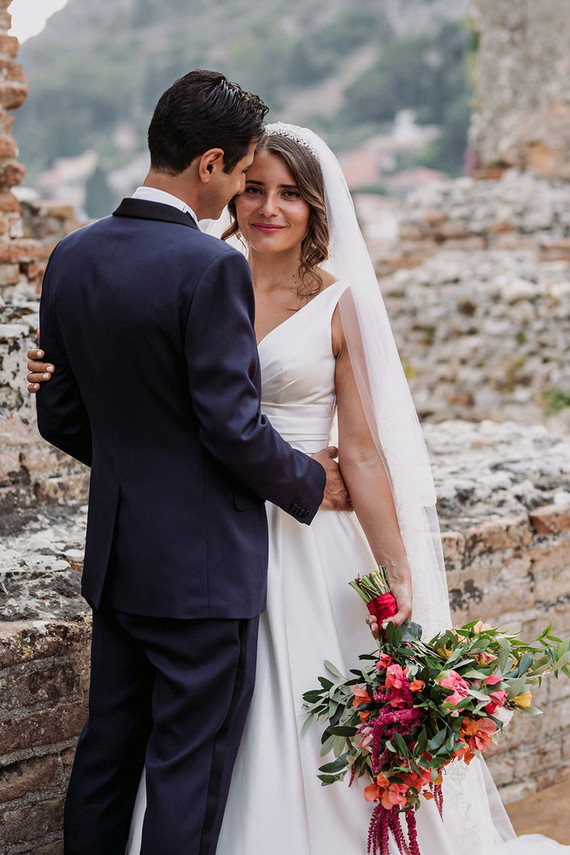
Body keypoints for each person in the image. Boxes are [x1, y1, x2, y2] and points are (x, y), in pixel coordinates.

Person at [28, 124, 567, 854]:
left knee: (310, 724)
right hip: (210, 543)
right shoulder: (196, 271)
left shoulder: (336, 303)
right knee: (199, 739)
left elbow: (366, 454)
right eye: (254, 189)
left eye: (289, 194)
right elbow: (143, 397)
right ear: (229, 188)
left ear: (317, 208)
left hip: (310, 542)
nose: (268, 208)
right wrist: (58, 373)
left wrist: (396, 569)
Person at [29, 73, 354, 855]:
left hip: (119, 559)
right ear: (210, 164)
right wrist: (312, 480)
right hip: (203, 574)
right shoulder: (209, 266)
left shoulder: (71, 256)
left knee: (106, 758)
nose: (246, 189)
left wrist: (142, 465)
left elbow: (61, 413)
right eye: (244, 171)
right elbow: (233, 429)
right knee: (187, 771)